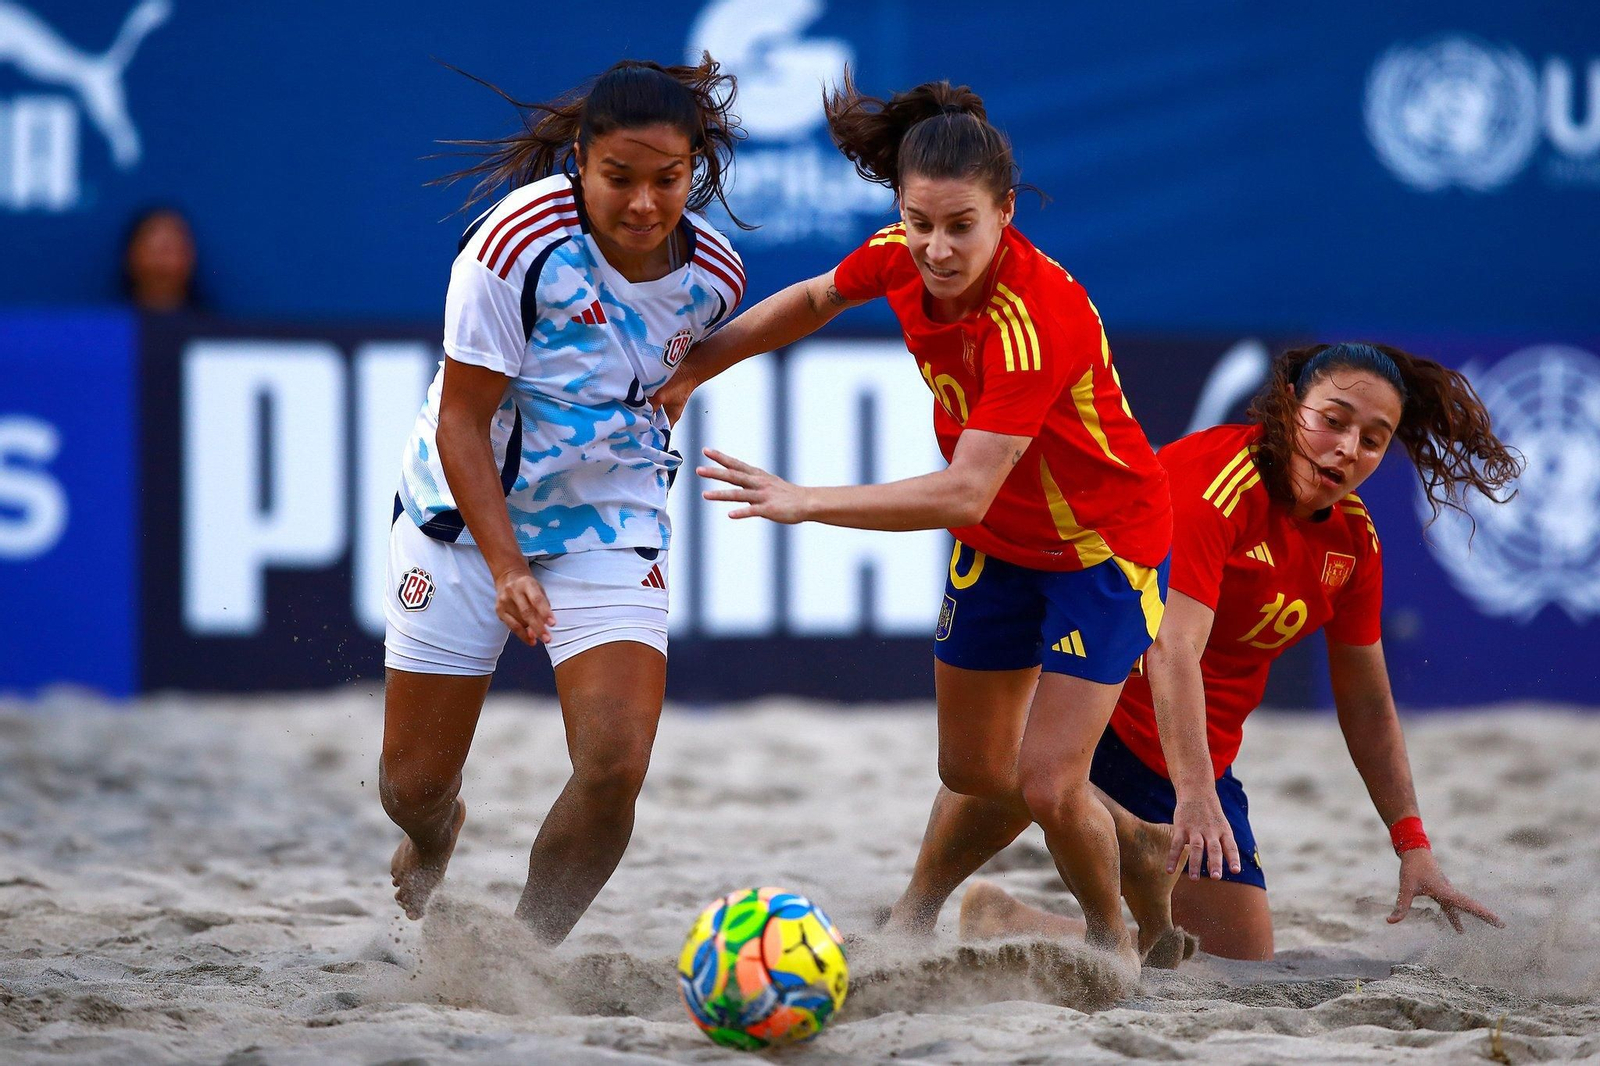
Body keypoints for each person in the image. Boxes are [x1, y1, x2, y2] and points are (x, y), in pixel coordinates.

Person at [654, 75, 1172, 977]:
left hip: (1101, 545)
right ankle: (1132, 834)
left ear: (1005, 211)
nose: (934, 247)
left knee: (1049, 783)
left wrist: (806, 500)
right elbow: (816, 299)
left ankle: (1110, 940)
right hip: (1001, 544)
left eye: (959, 226)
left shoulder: (1031, 317)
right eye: (918, 221)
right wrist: (696, 369)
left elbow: (962, 491)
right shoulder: (899, 251)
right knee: (976, 772)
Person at [893, 342, 1518, 961]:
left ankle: (1005, 920)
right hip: (1098, 700)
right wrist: (1197, 799)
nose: (1348, 449)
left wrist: (1412, 843)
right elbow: (1172, 648)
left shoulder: (1355, 543)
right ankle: (912, 916)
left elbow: (1367, 702)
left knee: (1231, 964)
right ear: (1290, 405)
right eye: (1332, 421)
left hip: (1191, 754)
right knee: (1017, 758)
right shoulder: (1214, 484)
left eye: (1373, 439)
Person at [379, 56, 747, 943]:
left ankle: (525, 952)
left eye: (668, 180)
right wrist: (507, 568)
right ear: (579, 161)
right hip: (467, 520)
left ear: (695, 166)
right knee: (412, 787)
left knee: (616, 763)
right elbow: (460, 426)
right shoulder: (516, 248)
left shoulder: (717, 274)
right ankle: (436, 834)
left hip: (606, 516)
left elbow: (696, 350)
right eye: (620, 178)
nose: (646, 204)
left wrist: (691, 377)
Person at [121, 206, 199, 312]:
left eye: (169, 250)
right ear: (131, 255)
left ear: (190, 257)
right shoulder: (105, 324)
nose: (161, 261)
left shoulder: (215, 327)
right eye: (152, 249)